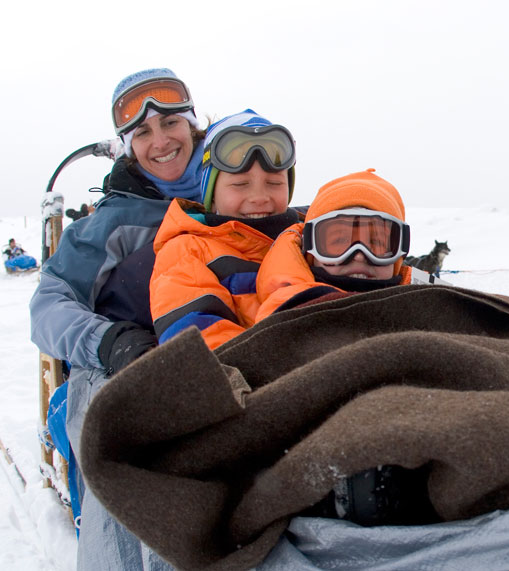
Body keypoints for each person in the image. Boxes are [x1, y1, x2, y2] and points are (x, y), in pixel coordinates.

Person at [28, 67, 205, 570]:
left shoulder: (232, 193)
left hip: (217, 357)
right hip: (121, 367)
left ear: (192, 126)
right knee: (116, 436)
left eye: (170, 123)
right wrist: (109, 342)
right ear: (127, 147)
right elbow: (49, 304)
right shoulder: (112, 222)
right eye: (142, 133)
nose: (160, 141)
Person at [150, 110, 300, 350]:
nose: (259, 197)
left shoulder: (307, 238)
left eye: (274, 183)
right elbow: (200, 344)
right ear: (212, 196)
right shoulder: (187, 252)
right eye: (240, 184)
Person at [255, 168, 415, 321]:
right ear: (310, 251)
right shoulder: (284, 315)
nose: (359, 255)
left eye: (376, 243)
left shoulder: (430, 303)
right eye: (339, 242)